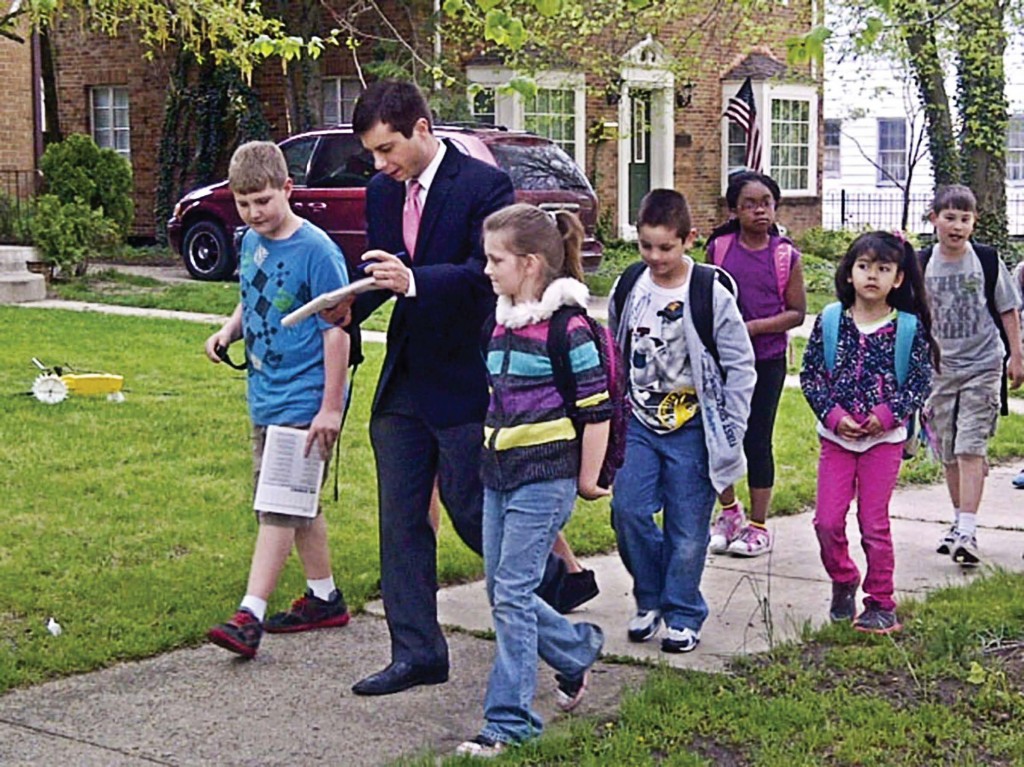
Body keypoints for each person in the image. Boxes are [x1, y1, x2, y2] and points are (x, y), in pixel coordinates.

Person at [322, 80, 519, 697]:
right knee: (401, 516)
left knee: (470, 508)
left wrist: (411, 282)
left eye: (387, 150)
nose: (379, 166)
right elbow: (385, 272)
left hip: (465, 374)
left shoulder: (484, 187)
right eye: (373, 155)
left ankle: (546, 610)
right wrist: (353, 304)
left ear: (422, 130)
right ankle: (416, 653)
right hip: (406, 377)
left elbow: (484, 278)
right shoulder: (383, 191)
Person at [455, 204, 609, 758]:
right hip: (498, 474)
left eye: (496, 260)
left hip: (545, 479)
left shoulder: (569, 326)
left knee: (513, 594)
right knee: (502, 590)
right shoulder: (500, 320)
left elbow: (597, 408)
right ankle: (575, 650)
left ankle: (509, 721)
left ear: (530, 262)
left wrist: (588, 478)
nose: (487, 269)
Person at [203, 141, 351, 659]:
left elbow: (338, 334)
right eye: (244, 204)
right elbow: (251, 299)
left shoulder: (318, 251)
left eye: (263, 201)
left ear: (288, 189)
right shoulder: (251, 242)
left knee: (277, 504)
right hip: (265, 392)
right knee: (297, 503)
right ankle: (324, 597)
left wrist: (330, 408)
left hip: (307, 397)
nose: (254, 213)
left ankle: (250, 614)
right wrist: (227, 332)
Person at [607, 189, 756, 653]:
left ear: (689, 239)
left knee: (689, 531)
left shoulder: (709, 290)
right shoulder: (630, 284)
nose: (655, 257)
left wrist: (731, 425)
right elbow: (615, 346)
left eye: (665, 247)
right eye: (645, 246)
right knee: (628, 510)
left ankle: (683, 611)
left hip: (694, 429)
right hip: (638, 422)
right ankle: (649, 597)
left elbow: (740, 365)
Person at [800, 232, 938, 633]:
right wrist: (832, 415)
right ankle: (843, 578)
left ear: (897, 278)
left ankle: (880, 601)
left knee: (873, 523)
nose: (872, 276)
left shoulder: (908, 328)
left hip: (884, 442)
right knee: (827, 520)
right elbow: (810, 376)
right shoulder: (830, 320)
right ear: (849, 273)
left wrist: (887, 414)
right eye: (864, 266)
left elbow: (917, 382)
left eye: (883, 268)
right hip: (837, 440)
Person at [920, 185, 1023, 565]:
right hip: (940, 371)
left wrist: (1017, 355)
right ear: (934, 219)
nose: (957, 226)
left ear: (974, 221)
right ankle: (959, 520)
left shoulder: (986, 260)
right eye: (950, 217)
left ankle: (967, 529)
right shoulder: (922, 263)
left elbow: (1008, 309)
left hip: (983, 364)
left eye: (965, 219)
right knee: (949, 450)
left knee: (970, 445)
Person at [705, 171, 806, 558]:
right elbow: (706, 296)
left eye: (766, 202)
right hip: (721, 361)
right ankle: (729, 512)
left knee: (756, 439)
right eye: (750, 204)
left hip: (766, 360)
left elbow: (797, 312)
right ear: (734, 209)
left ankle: (759, 525)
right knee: (719, 437)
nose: (760, 210)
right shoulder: (720, 249)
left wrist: (753, 328)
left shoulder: (785, 255)